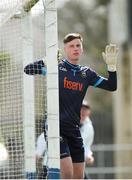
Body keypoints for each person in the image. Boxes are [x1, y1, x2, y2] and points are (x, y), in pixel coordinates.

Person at [24, 33, 118, 179]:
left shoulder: (87, 74)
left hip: (74, 129)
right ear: (65, 49)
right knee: (67, 174)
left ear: (82, 49)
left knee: (78, 177)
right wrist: (45, 60)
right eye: (71, 46)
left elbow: (112, 86)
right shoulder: (56, 68)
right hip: (56, 127)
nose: (75, 48)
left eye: (78, 45)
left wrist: (112, 68)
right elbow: (28, 69)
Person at [80, 101, 94, 179]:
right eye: (81, 108)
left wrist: (88, 156)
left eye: (85, 109)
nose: (83, 111)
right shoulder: (68, 122)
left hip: (78, 162)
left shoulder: (89, 128)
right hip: (62, 161)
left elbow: (86, 146)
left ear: (89, 112)